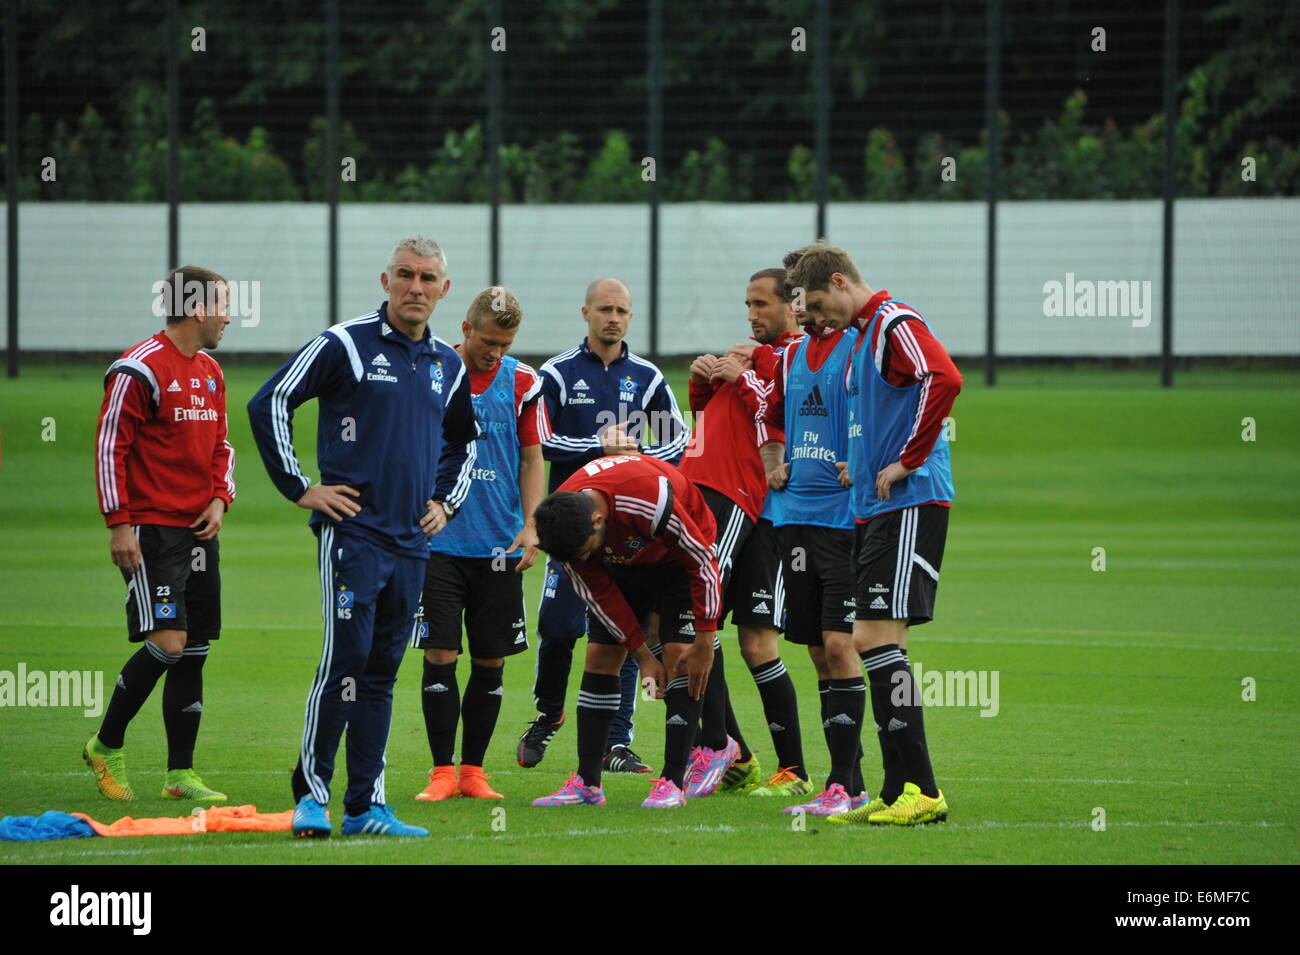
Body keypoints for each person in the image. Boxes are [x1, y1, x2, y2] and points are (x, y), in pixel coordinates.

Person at [247, 236, 479, 838]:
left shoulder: (448, 365)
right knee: (342, 663)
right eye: (405, 275)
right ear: (385, 280)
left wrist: (446, 503)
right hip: (354, 538)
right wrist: (301, 486)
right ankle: (312, 799)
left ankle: (366, 806)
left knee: (380, 673)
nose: (416, 288)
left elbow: (465, 439)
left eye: (428, 279)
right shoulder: (345, 344)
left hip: (411, 545)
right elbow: (270, 400)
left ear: (444, 290)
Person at [782, 241, 961, 827]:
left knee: (877, 639)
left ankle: (924, 790)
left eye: (813, 303)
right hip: (874, 510)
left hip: (910, 502)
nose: (811, 318)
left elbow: (945, 377)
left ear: (839, 281)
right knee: (871, 641)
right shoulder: (861, 339)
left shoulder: (891, 322)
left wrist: (908, 458)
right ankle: (894, 786)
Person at [520, 278, 689, 774]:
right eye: (605, 309)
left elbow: (678, 442)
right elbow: (541, 441)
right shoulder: (555, 374)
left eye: (622, 311)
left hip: (625, 533)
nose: (613, 318)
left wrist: (633, 456)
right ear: (586, 312)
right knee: (557, 627)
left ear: (630, 318)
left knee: (620, 631)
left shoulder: (648, 377)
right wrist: (599, 447)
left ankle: (617, 742)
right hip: (571, 531)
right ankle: (548, 715)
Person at [87, 265, 235, 803]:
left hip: (200, 530)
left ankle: (180, 774)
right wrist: (119, 524)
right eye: (223, 305)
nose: (228, 317)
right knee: (168, 642)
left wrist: (220, 497)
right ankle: (105, 746)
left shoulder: (212, 372)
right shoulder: (138, 369)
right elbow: (110, 449)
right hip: (152, 531)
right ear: (197, 309)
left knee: (194, 648)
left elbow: (223, 447)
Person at [676, 267, 810, 799]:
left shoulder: (794, 358)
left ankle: (790, 770)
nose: (751, 315)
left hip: (747, 503)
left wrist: (743, 376)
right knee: (709, 628)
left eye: (761, 304)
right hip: (723, 494)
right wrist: (705, 377)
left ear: (792, 306)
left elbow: (777, 419)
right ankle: (739, 755)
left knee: (745, 639)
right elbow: (710, 420)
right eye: (747, 304)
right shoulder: (756, 356)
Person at [410, 286, 543, 801]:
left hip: (499, 545)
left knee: (491, 660)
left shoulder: (523, 383)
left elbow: (532, 458)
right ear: (465, 330)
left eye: (505, 345)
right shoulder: (435, 369)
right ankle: (441, 773)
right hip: (440, 541)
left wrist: (531, 525)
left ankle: (473, 772)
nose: (495, 352)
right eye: (488, 341)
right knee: (440, 654)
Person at [529, 453, 718, 809]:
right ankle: (587, 784)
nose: (579, 561)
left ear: (597, 520)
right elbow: (599, 596)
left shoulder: (647, 501)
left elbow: (702, 561)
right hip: (621, 560)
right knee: (600, 656)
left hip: (678, 559)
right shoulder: (567, 529)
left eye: (583, 552)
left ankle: (672, 782)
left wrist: (706, 639)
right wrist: (642, 655)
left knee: (680, 654)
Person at [753, 271, 871, 816]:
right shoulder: (790, 356)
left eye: (808, 301)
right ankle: (847, 782)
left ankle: (844, 786)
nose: (805, 311)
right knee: (820, 653)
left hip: (844, 521)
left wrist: (864, 457)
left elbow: (885, 409)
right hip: (794, 521)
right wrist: (773, 462)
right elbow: (772, 421)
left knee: (843, 645)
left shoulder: (858, 345)